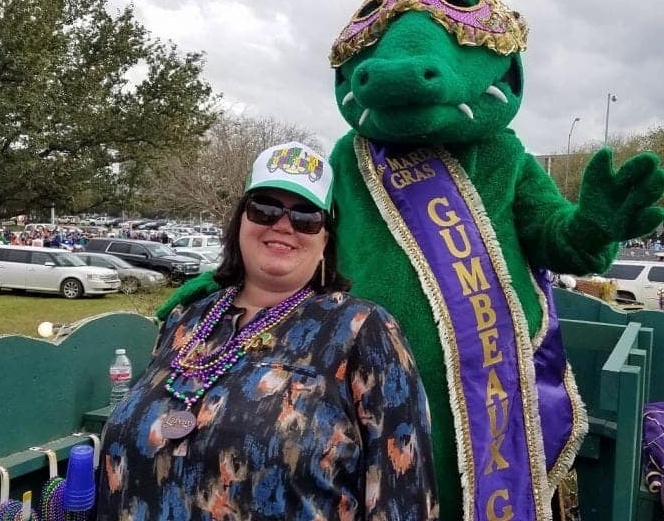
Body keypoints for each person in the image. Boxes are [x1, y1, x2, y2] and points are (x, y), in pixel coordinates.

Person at [95, 142, 437, 520]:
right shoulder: (186, 318)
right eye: (265, 208)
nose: (283, 224)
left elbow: (404, 496)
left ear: (325, 239)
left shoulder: (363, 330)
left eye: (306, 216)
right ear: (241, 221)